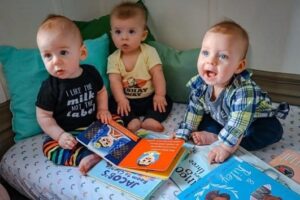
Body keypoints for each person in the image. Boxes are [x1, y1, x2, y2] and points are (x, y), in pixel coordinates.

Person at [174, 20, 289, 164]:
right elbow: (193, 112)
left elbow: (238, 124)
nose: (211, 61)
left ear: (239, 66)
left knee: (273, 131)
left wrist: (225, 147)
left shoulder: (244, 91)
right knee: (200, 119)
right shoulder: (200, 85)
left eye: (222, 56)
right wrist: (182, 135)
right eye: (205, 52)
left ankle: (223, 139)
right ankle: (218, 134)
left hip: (253, 120)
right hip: (224, 118)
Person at [35, 14, 111, 175]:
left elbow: (101, 91)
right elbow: (43, 116)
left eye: (63, 52)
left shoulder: (90, 73)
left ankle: (112, 145)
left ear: (82, 53)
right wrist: (60, 135)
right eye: (48, 55)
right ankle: (85, 156)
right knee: (49, 148)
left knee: (115, 119)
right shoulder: (50, 87)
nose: (55, 61)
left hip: (94, 125)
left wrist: (103, 109)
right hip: (69, 133)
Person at [107, 2, 173, 133]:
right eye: (118, 32)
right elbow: (114, 81)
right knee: (111, 103)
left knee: (166, 101)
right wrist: (121, 100)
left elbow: (157, 73)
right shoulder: (113, 58)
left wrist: (159, 95)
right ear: (112, 34)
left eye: (131, 31)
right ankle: (132, 119)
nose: (124, 37)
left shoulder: (149, 52)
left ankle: (151, 119)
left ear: (143, 35)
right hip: (127, 102)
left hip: (149, 98)